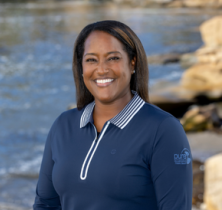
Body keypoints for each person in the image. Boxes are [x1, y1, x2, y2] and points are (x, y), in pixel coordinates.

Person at [33, 20, 193, 210]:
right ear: (81, 67)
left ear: (132, 62)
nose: (101, 69)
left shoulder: (163, 129)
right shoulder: (63, 126)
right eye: (91, 60)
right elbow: (45, 204)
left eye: (113, 58)